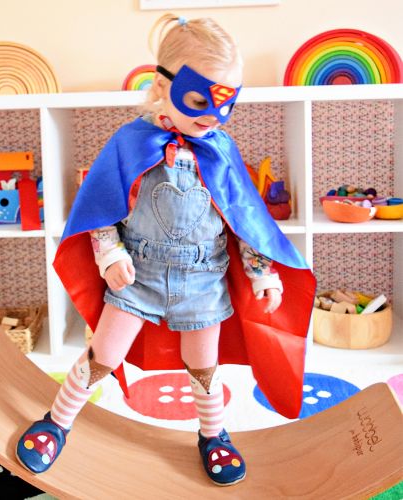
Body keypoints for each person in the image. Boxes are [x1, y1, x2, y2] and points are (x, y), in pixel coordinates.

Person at [16, 13, 316, 487]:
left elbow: (244, 220)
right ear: (163, 86)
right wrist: (109, 255)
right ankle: (57, 422)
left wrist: (262, 273)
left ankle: (213, 436)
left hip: (203, 283)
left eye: (227, 103)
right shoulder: (131, 141)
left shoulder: (220, 147)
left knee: (204, 366)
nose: (213, 115)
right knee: (102, 354)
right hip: (138, 277)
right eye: (199, 99)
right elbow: (100, 211)